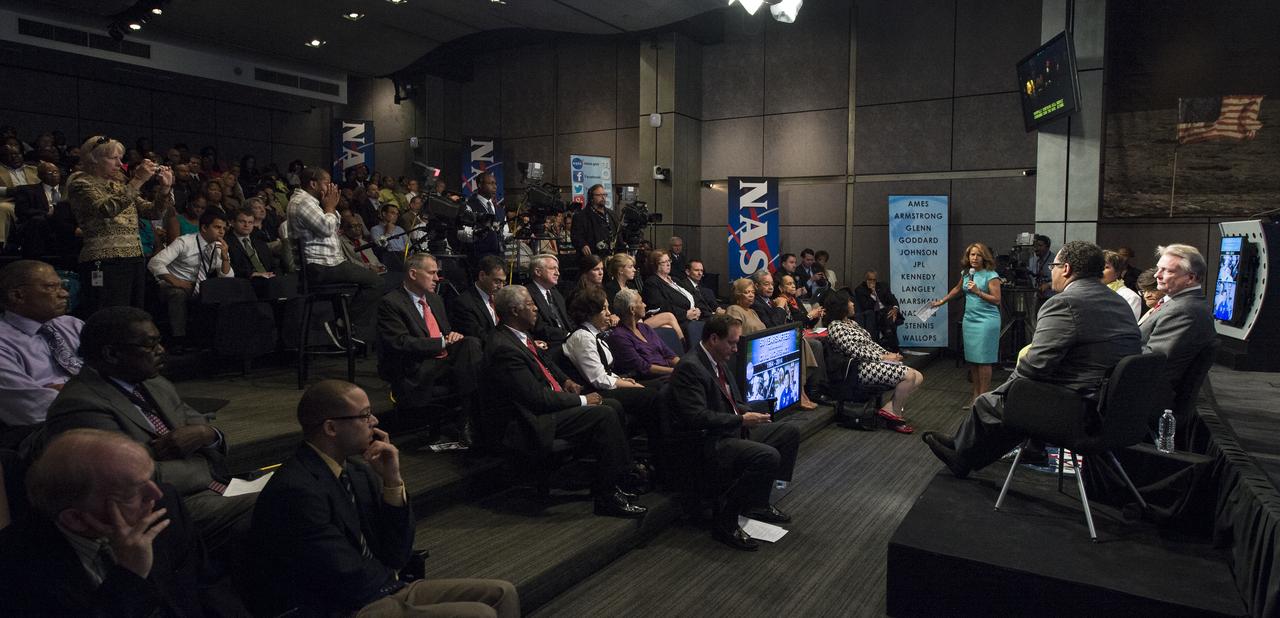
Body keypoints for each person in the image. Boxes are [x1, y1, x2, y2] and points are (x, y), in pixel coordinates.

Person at [249, 380, 519, 616]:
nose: (375, 422)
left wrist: (392, 480)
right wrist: (394, 581)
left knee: (502, 593)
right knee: (478, 614)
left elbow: (397, 551)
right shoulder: (297, 490)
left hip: (379, 588)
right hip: (342, 607)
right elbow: (342, 575)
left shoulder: (356, 472)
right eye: (365, 416)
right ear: (331, 428)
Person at [43, 307, 255, 554]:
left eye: (159, 342)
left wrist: (209, 435)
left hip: (215, 488)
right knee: (282, 504)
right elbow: (131, 481)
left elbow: (201, 428)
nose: (161, 351)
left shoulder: (154, 382)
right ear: (111, 353)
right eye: (149, 345)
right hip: (163, 508)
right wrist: (201, 463)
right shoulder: (81, 404)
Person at [922, 241, 1142, 478]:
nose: (1051, 271)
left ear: (1066, 269)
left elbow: (1034, 366)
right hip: (1113, 410)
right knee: (1006, 400)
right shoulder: (1118, 301)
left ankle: (962, 456)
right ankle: (965, 446)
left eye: (1054, 266)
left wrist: (1006, 391)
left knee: (991, 402)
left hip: (1077, 411)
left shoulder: (1065, 303)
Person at [0, 429, 231, 616]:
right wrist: (130, 575)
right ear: (76, 519)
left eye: (149, 478)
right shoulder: (16, 566)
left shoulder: (163, 505)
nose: (156, 494)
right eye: (131, 493)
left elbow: (209, 586)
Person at [487, 285, 647, 519]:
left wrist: (567, 380)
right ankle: (607, 495)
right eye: (531, 305)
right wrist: (582, 399)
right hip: (531, 420)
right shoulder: (503, 347)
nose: (536, 310)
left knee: (612, 405)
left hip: (546, 406)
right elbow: (536, 399)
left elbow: (547, 365)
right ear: (514, 310)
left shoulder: (520, 335)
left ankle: (614, 480)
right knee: (603, 413)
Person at [668, 314, 800, 551]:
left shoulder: (720, 360)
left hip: (729, 429)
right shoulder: (690, 366)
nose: (736, 348)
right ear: (714, 339)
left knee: (788, 432)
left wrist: (748, 413)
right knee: (767, 456)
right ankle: (725, 522)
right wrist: (741, 419)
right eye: (732, 342)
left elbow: (734, 400)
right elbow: (696, 417)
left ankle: (758, 502)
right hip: (707, 440)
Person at [376, 253, 482, 442]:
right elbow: (400, 342)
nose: (437, 278)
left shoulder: (435, 299)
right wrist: (442, 342)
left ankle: (469, 417)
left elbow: (446, 333)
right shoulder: (391, 302)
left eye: (437, 273)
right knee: (470, 359)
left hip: (442, 358)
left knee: (471, 343)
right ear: (413, 274)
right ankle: (469, 419)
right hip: (417, 364)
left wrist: (452, 337)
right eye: (432, 273)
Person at [67, 135, 175, 314]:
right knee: (110, 314)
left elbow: (152, 212)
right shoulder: (81, 183)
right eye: (113, 158)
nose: (119, 164)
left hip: (134, 256)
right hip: (104, 259)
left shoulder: (119, 184)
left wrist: (165, 189)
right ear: (94, 159)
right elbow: (106, 209)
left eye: (120, 158)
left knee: (133, 313)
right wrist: (138, 180)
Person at [289, 166, 382, 342]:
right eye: (327, 183)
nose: (331, 187)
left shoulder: (314, 202)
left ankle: (344, 327)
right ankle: (340, 325)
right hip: (320, 266)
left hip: (328, 264)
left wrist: (330, 207)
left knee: (371, 278)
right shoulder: (303, 202)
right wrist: (330, 206)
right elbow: (328, 227)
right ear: (313, 183)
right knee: (375, 282)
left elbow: (336, 220)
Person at [563, 287, 664, 433]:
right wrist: (632, 386)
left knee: (662, 384)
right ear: (591, 312)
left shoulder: (596, 334)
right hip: (595, 392)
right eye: (604, 309)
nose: (609, 313)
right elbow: (598, 379)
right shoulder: (582, 337)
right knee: (651, 394)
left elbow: (606, 372)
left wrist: (622, 380)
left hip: (608, 384)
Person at [822, 290, 922, 432]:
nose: (852, 304)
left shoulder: (850, 322)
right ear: (842, 306)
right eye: (849, 302)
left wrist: (888, 353)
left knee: (918, 377)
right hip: (858, 369)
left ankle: (889, 409)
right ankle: (896, 416)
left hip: (871, 362)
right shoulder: (836, 327)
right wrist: (883, 358)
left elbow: (870, 344)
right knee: (909, 376)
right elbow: (855, 352)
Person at [0, 260, 83, 432]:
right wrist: (95, 390)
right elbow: (31, 408)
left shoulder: (73, 325)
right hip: (46, 431)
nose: (64, 294)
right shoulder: (3, 341)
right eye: (51, 287)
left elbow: (119, 369)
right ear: (17, 296)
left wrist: (65, 390)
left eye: (62, 286)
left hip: (102, 411)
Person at [725, 278, 818, 410]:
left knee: (799, 341)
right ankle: (800, 394)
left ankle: (800, 392)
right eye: (747, 292)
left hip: (765, 347)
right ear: (738, 295)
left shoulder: (752, 311)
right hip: (752, 353)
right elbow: (736, 336)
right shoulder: (734, 309)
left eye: (752, 292)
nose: (751, 295)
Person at [1141, 244, 1216, 405]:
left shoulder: (1184, 311)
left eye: (1167, 271)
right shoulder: (1178, 303)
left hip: (1148, 396)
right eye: (1158, 269)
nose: (1156, 275)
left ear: (1190, 278)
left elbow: (1152, 361)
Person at [147, 210, 234, 348]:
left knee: (224, 291)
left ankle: (217, 338)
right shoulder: (185, 241)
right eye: (217, 227)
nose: (222, 232)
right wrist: (177, 282)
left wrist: (225, 258)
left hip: (199, 285)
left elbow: (228, 278)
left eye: (224, 228)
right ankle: (178, 340)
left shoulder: (218, 247)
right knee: (178, 293)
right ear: (204, 228)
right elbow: (155, 263)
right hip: (172, 283)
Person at [931, 243, 1002, 403]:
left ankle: (983, 399)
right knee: (973, 361)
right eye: (972, 255)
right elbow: (957, 289)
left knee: (983, 361)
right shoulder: (966, 273)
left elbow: (997, 300)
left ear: (984, 257)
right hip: (970, 320)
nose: (974, 258)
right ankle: (975, 396)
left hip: (987, 321)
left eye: (978, 255)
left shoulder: (991, 275)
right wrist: (942, 301)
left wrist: (978, 292)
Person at [608, 288, 681, 381]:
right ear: (632, 309)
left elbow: (668, 354)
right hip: (652, 380)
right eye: (641, 302)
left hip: (669, 374)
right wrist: (675, 371)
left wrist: (684, 367)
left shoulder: (645, 328)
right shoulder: (619, 336)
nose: (645, 305)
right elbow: (643, 368)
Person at [12, 160, 74, 258]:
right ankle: (35, 258)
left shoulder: (69, 190)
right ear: (40, 176)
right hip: (42, 222)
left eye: (56, 172)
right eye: (50, 173)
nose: (54, 175)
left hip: (64, 223)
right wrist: (46, 213)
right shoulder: (27, 190)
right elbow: (21, 210)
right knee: (38, 220)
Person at [449, 254, 506, 340]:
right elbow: (478, 335)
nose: (501, 287)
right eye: (497, 281)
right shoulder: (464, 303)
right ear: (482, 276)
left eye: (503, 282)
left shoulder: (501, 299)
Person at [526, 253, 573, 346]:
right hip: (548, 344)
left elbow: (567, 319)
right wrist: (568, 335)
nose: (557, 273)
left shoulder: (555, 292)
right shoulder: (527, 293)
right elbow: (538, 327)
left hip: (567, 341)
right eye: (552, 268)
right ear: (538, 272)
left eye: (557, 269)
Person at [853, 269, 901, 352]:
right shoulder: (860, 290)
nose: (872, 282)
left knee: (890, 312)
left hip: (885, 312)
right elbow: (866, 306)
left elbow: (892, 298)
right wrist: (873, 294)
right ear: (865, 280)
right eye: (869, 280)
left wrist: (895, 308)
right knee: (888, 319)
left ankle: (889, 343)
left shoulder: (883, 286)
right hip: (872, 314)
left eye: (874, 280)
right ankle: (892, 346)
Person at [225, 208, 277, 282]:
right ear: (232, 223)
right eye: (242, 221)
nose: (246, 225)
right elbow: (230, 268)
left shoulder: (259, 240)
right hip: (245, 281)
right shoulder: (226, 242)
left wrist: (274, 275)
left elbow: (273, 264)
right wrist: (252, 274)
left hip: (269, 279)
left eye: (250, 222)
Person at [461, 171, 504, 259]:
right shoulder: (469, 205)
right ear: (480, 185)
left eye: (495, 184)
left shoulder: (500, 210)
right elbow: (463, 233)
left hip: (499, 256)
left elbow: (504, 232)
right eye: (491, 183)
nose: (495, 187)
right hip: (478, 256)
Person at [571, 184, 614, 256]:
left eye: (604, 194)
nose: (603, 197)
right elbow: (576, 236)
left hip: (612, 255)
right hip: (592, 256)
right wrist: (582, 245)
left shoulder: (611, 214)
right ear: (591, 197)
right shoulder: (580, 216)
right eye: (599, 195)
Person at [1103, 249, 1142, 321]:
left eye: (1106, 267)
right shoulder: (1086, 292)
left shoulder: (1130, 297)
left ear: (1117, 271)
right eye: (1097, 267)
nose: (1100, 270)